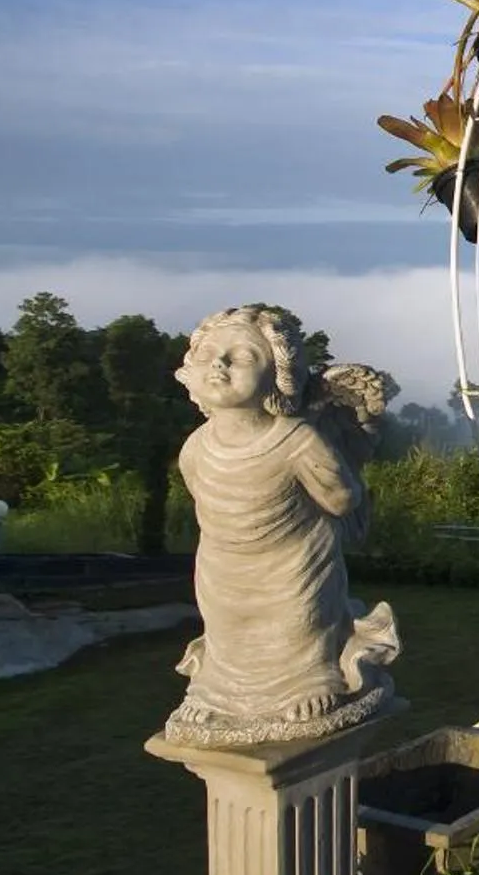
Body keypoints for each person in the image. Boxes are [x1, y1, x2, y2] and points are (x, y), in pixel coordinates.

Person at [163, 304, 399, 746]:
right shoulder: (196, 447)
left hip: (292, 561)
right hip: (223, 565)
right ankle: (216, 690)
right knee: (226, 626)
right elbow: (203, 500)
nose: (220, 363)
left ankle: (312, 678)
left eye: (242, 356)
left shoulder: (295, 439)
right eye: (209, 354)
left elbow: (341, 497)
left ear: (279, 376)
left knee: (300, 619)